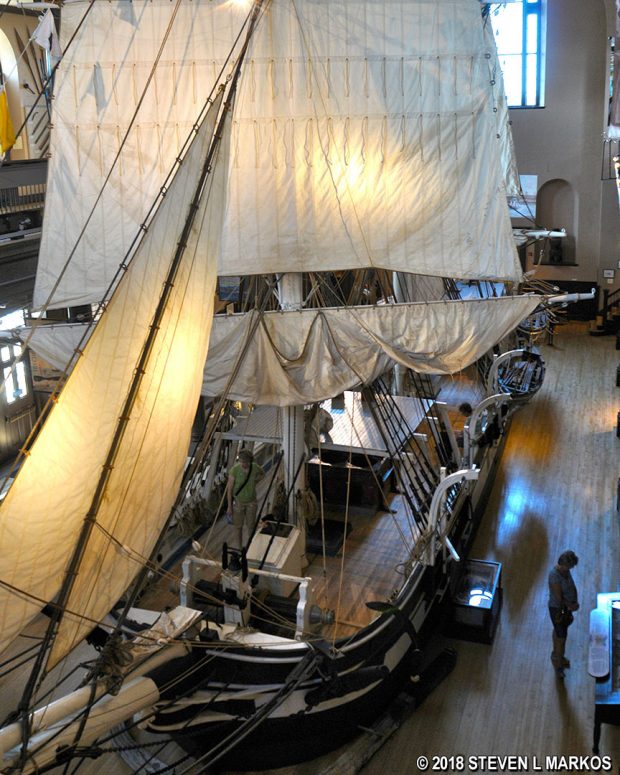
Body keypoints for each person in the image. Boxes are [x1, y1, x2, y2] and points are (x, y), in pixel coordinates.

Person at [548, 550, 579, 678]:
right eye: (570, 566)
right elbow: (559, 598)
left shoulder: (565, 571)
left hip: (565, 609)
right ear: (564, 565)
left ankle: (556, 655)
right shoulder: (555, 576)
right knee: (562, 638)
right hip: (558, 610)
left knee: (558, 631)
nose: (571, 569)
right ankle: (559, 666)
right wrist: (571, 605)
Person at [226, 449, 264, 549]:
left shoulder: (254, 467)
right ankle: (239, 548)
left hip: (251, 502)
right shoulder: (235, 470)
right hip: (238, 502)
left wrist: (256, 480)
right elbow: (229, 489)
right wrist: (229, 507)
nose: (243, 464)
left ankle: (251, 547)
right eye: (241, 461)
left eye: (245, 462)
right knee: (238, 527)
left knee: (251, 526)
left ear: (250, 461)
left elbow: (262, 474)